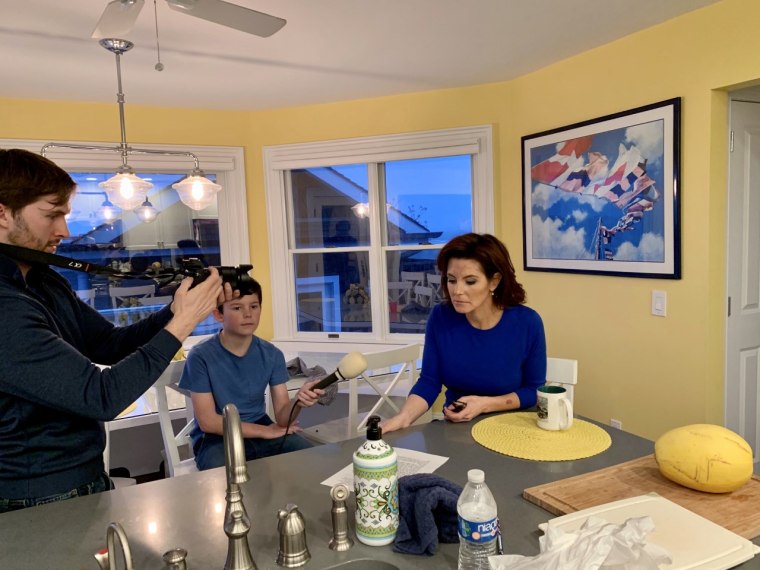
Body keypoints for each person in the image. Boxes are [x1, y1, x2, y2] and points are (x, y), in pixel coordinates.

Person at [0, 149, 233, 512]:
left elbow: (109, 345)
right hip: (34, 495)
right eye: (52, 214)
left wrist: (175, 309)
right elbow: (100, 396)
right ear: (2, 213)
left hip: (84, 475)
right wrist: (184, 322)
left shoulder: (44, 280)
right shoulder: (4, 305)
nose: (64, 230)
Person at [382, 232, 546, 433]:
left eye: (470, 281)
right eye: (452, 280)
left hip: (514, 427)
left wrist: (484, 405)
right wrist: (403, 418)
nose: (457, 291)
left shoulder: (527, 323)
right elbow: (429, 381)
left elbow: (533, 391)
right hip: (457, 428)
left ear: (494, 281)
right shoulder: (441, 318)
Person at [179, 277, 324, 470]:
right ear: (218, 314)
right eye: (237, 308)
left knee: (309, 459)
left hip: (261, 426)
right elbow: (208, 422)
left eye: (254, 306)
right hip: (218, 438)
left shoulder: (272, 354)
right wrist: (264, 432)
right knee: (221, 478)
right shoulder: (200, 356)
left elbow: (282, 418)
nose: (248, 314)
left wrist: (298, 400)